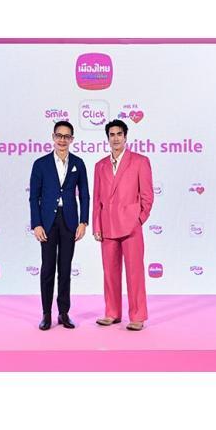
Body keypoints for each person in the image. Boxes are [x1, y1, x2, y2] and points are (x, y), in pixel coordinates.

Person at [92, 119, 154, 331]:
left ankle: (137, 316)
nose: (116, 138)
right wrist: (97, 225)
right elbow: (97, 199)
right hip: (107, 225)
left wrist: (139, 219)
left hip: (131, 226)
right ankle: (112, 312)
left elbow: (147, 196)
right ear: (107, 138)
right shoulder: (100, 165)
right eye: (112, 135)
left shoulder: (140, 161)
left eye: (119, 134)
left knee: (135, 272)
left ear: (125, 137)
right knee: (109, 272)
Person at [29, 121, 90, 330]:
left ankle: (64, 313)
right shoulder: (40, 164)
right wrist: (36, 224)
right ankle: (46, 314)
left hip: (69, 221)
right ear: (53, 137)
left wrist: (83, 221)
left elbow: (84, 194)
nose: (62, 140)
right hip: (47, 222)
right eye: (59, 135)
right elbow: (34, 197)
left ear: (72, 139)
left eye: (66, 136)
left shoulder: (78, 163)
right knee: (47, 268)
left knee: (65, 269)